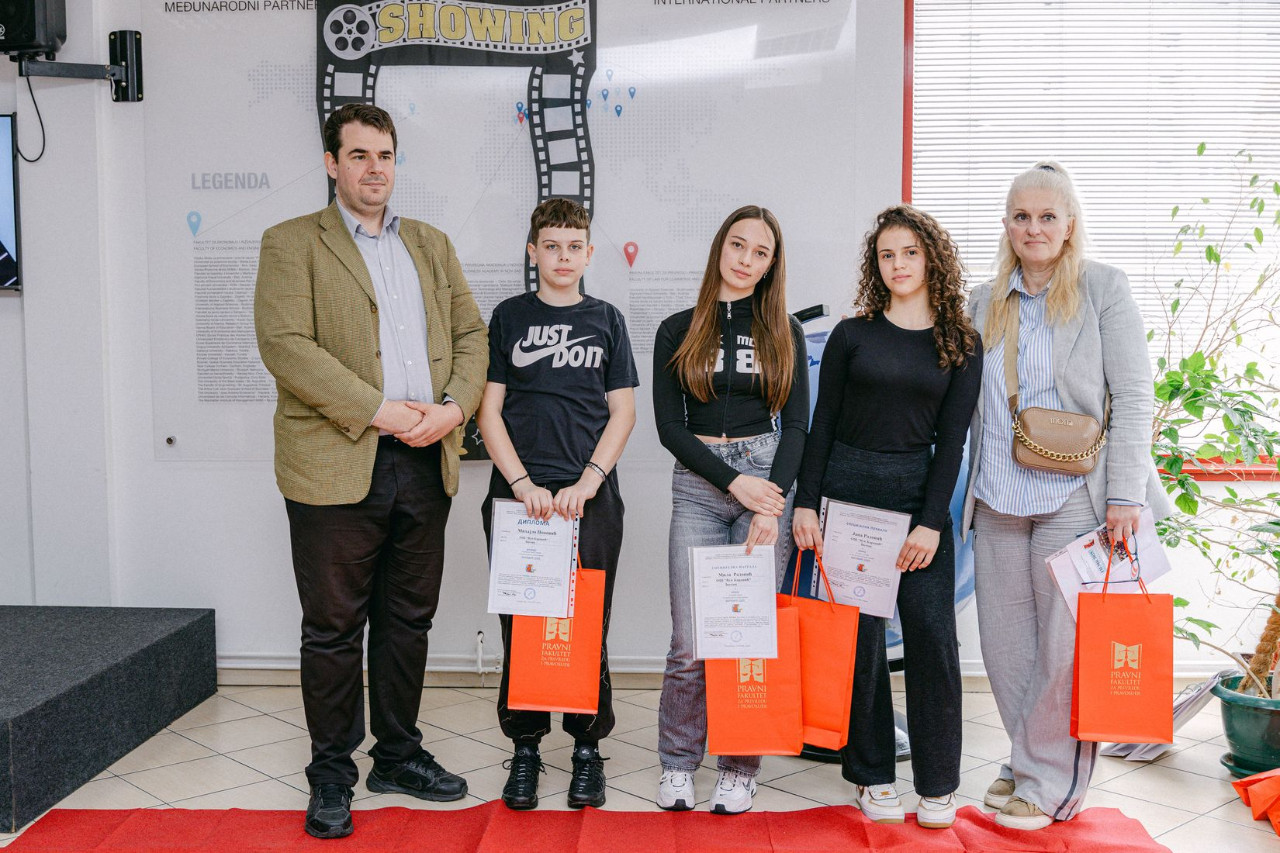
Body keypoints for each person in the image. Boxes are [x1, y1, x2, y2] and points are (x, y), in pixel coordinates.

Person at [253, 103, 488, 840]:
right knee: (332, 628)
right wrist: (382, 411)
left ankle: (398, 755)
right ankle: (331, 775)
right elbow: (286, 345)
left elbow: (471, 335)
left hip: (425, 459)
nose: (374, 168)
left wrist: (454, 409)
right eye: (358, 155)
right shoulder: (292, 242)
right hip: (335, 464)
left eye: (384, 155)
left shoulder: (431, 243)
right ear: (332, 164)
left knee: (407, 620)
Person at [962, 161, 1171, 830]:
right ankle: (1029, 756)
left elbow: (1134, 395)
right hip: (998, 492)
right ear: (1006, 225)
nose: (1035, 228)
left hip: (1078, 494)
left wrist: (1126, 495)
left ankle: (1049, 782)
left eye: (1047, 216)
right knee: (1005, 646)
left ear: (1070, 224)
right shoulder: (981, 301)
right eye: (1022, 216)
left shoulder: (1103, 289)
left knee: (1063, 650)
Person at [792, 205, 982, 829]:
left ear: (932, 258)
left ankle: (938, 785)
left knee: (933, 641)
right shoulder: (852, 335)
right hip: (848, 499)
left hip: (918, 506)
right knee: (861, 648)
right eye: (886, 255)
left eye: (909, 252)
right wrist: (807, 502)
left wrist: (930, 522)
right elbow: (822, 425)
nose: (898, 264)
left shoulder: (961, 342)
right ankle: (872, 776)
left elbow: (953, 443)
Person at [477, 197, 639, 810]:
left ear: (589, 254)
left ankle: (586, 749)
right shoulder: (509, 317)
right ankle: (525, 749)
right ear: (533, 251)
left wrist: (589, 481)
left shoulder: (607, 320)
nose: (563, 257)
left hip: (588, 499)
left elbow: (623, 412)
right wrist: (521, 484)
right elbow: (489, 412)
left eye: (574, 247)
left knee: (586, 626)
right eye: (551, 246)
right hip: (519, 499)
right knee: (522, 627)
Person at [652, 205, 809, 815]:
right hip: (699, 484)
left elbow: (797, 426)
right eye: (738, 245)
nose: (746, 260)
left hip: (766, 485)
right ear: (720, 247)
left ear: (772, 265)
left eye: (760, 252)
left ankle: (740, 770)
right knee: (689, 641)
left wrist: (770, 501)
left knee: (748, 636)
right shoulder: (678, 328)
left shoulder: (784, 331)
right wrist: (733, 482)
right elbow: (669, 428)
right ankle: (677, 764)